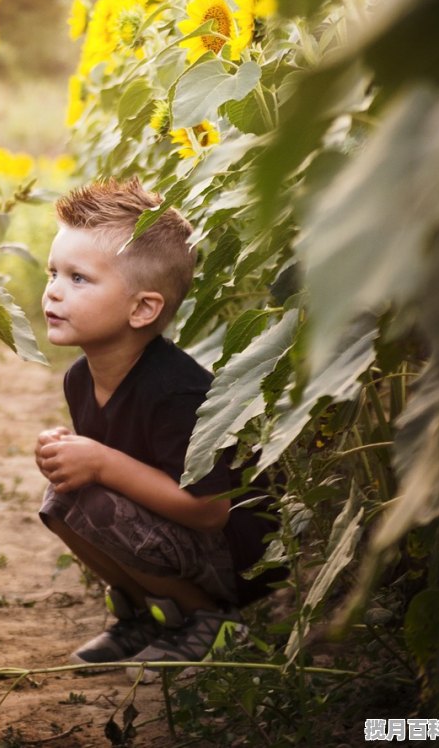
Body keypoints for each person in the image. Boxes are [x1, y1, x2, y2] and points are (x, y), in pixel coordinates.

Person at [34, 177, 282, 674]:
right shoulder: (81, 379)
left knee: (95, 502)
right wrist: (72, 453)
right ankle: (149, 614)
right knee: (62, 501)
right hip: (176, 537)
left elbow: (211, 511)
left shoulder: (176, 391)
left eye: (78, 278)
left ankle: (212, 619)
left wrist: (100, 462)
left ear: (143, 308)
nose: (54, 291)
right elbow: (119, 464)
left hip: (240, 557)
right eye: (52, 272)